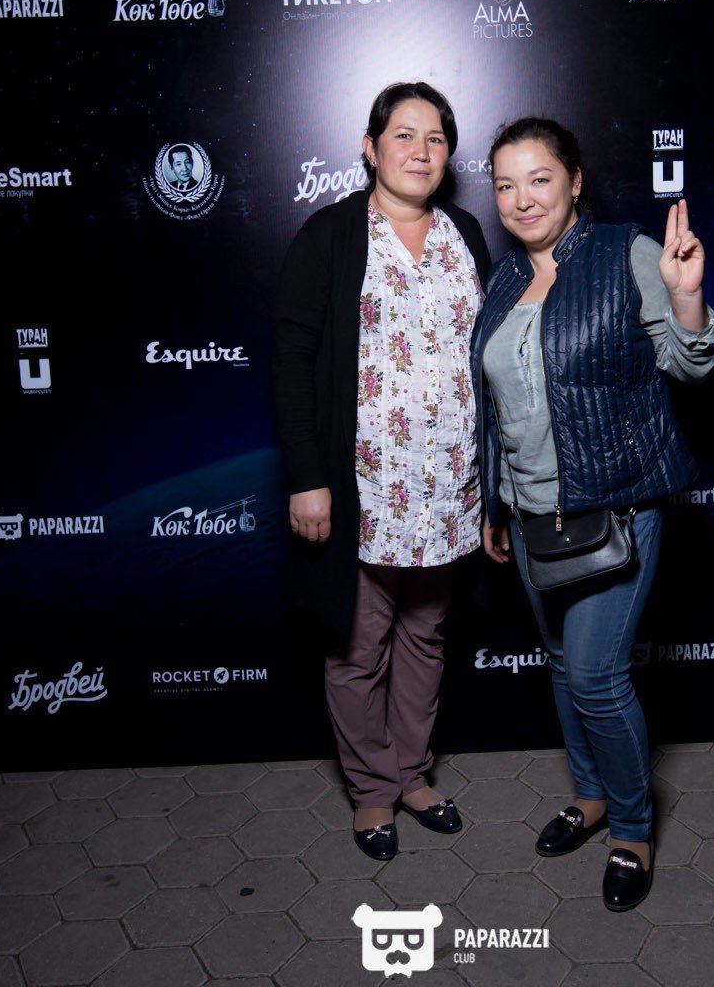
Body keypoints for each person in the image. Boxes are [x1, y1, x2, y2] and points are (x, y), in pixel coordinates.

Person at [472, 117, 714, 911]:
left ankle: (633, 832)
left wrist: (687, 298)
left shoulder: (626, 254)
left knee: (596, 677)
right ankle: (590, 798)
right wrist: (495, 501)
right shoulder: (504, 281)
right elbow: (499, 408)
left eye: (539, 179)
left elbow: (690, 365)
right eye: (505, 185)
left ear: (575, 180)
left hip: (615, 508)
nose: (521, 200)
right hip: (531, 515)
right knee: (559, 665)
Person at [272, 83, 491, 861]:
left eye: (435, 138)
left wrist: (492, 488)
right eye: (403, 134)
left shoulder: (465, 232)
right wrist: (308, 476)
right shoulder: (330, 234)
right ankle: (372, 790)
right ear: (370, 148)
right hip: (363, 487)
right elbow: (293, 361)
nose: (420, 151)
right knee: (359, 647)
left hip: (449, 487)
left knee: (426, 636)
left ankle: (411, 775)